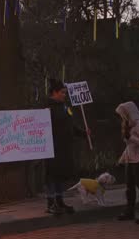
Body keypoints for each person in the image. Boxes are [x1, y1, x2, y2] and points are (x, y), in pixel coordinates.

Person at [45, 79, 89, 215]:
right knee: (51, 174)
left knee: (60, 174)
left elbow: (70, 125)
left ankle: (59, 200)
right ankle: (51, 203)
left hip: (64, 147)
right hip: (51, 147)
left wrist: (83, 133)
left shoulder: (64, 107)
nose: (65, 95)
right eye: (62, 93)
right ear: (54, 92)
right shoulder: (46, 108)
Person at [116, 101, 139, 224]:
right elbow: (129, 146)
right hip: (130, 159)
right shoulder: (128, 124)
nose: (123, 117)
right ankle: (130, 211)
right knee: (129, 187)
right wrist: (122, 159)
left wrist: (131, 137)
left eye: (124, 114)